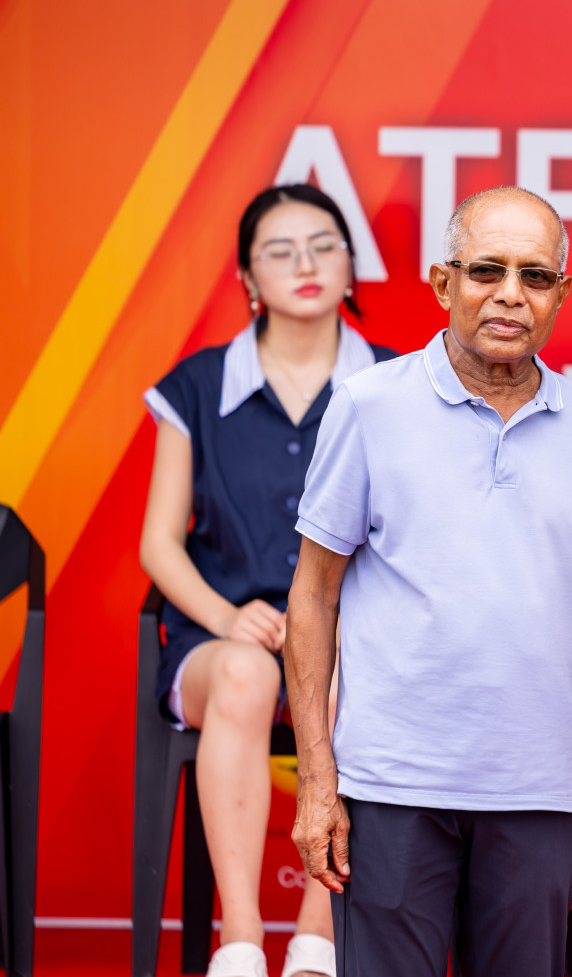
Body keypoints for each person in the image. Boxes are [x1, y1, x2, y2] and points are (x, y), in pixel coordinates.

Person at [285, 186, 572, 977]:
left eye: (536, 277)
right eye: (487, 270)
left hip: (540, 797)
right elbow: (312, 594)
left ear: (561, 295)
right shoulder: (368, 406)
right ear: (444, 283)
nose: (511, 295)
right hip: (390, 788)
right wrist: (318, 781)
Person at [139, 184, 396, 977]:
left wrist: (342, 623)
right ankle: (241, 939)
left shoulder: (397, 384)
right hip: (224, 642)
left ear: (352, 265)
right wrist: (227, 618)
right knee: (251, 676)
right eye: (279, 252)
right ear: (248, 276)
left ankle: (318, 936)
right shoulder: (196, 385)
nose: (305, 264)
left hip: (353, 640)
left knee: (359, 670)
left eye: (323, 245)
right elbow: (159, 544)